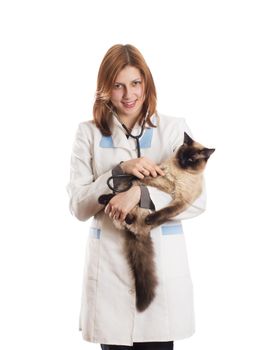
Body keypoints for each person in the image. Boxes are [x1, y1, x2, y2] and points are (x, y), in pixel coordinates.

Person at [66, 44, 206, 350]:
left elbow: (196, 201)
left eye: (135, 83)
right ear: (105, 89)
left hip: (160, 277)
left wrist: (140, 193)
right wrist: (117, 173)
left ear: (146, 83)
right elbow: (77, 206)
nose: (128, 94)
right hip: (110, 279)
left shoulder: (173, 129)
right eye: (118, 85)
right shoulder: (87, 134)